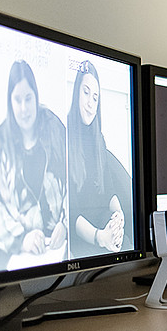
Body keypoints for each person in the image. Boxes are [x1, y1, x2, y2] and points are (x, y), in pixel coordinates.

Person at [0, 60, 68, 270]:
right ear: (10, 102)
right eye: (17, 100)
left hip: (62, 250)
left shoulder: (53, 127)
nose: (24, 109)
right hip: (23, 258)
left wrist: (66, 224)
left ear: (36, 96)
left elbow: (74, 179)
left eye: (28, 99)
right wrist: (21, 239)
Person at [67, 60, 133, 256]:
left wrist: (118, 217)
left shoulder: (98, 139)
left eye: (95, 98)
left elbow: (109, 191)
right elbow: (71, 214)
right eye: (86, 93)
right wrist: (100, 237)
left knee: (127, 244)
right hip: (82, 233)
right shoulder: (65, 137)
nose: (90, 103)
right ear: (76, 93)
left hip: (103, 223)